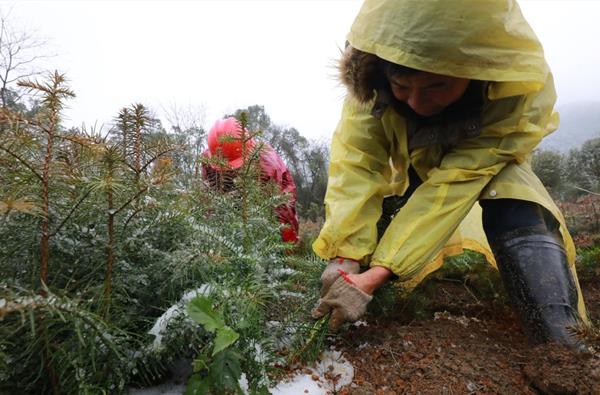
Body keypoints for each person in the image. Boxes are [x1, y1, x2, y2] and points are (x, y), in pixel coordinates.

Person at [312, 0, 589, 347]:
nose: (417, 103)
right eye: (401, 86)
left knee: (513, 194)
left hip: (484, 167)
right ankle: (383, 285)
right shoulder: (371, 85)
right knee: (383, 208)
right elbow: (357, 166)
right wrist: (346, 256)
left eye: (436, 87)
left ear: (474, 71)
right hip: (411, 163)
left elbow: (454, 183)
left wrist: (378, 274)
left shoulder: (514, 94)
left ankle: (560, 339)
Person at [201, 117, 299, 244]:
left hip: (275, 197)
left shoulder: (267, 165)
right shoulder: (209, 159)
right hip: (232, 203)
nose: (229, 171)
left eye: (234, 166)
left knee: (280, 229)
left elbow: (278, 207)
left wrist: (283, 244)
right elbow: (209, 195)